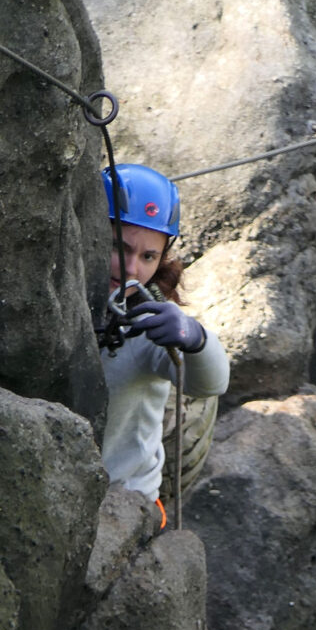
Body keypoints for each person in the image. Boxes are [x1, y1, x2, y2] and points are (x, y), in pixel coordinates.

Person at [100, 164, 229, 526]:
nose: (131, 269)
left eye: (148, 257)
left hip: (127, 501)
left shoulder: (150, 324)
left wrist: (196, 338)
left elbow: (211, 384)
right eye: (117, 247)